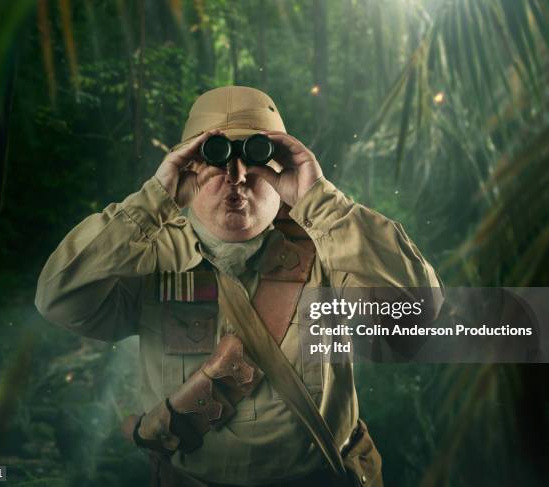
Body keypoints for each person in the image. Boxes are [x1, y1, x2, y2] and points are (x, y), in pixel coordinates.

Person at [35, 86, 443, 487]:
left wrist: (320, 201)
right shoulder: (148, 256)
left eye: (257, 156)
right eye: (214, 157)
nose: (238, 175)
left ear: (282, 165)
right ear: (188, 166)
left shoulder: (330, 249)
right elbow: (59, 299)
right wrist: (154, 200)